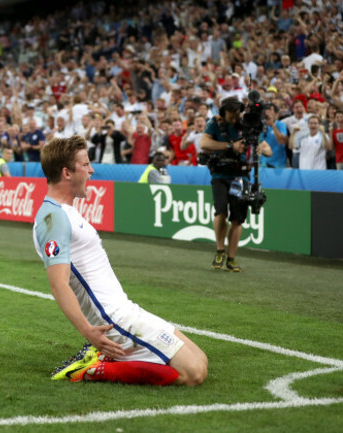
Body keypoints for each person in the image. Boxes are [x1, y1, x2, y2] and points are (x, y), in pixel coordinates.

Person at [33, 135, 207, 386]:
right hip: (113, 319)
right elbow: (58, 284)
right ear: (66, 173)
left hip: (125, 309)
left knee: (201, 360)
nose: (91, 169)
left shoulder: (63, 211)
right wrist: (87, 331)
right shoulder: (53, 218)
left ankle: (107, 359)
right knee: (193, 374)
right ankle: (94, 368)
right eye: (85, 164)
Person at [200, 97, 272, 272]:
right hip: (219, 174)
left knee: (238, 219)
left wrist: (259, 149)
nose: (234, 119)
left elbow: (268, 150)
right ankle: (219, 250)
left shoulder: (247, 126)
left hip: (241, 177)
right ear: (223, 113)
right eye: (231, 116)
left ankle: (231, 258)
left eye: (236, 115)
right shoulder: (214, 124)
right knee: (220, 212)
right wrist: (230, 146)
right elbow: (204, 143)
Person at [259, 104, 288, 168]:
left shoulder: (281, 124)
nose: (267, 111)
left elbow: (281, 141)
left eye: (270, 110)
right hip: (263, 162)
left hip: (277, 163)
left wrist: (272, 124)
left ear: (275, 113)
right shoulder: (261, 125)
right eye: (266, 109)